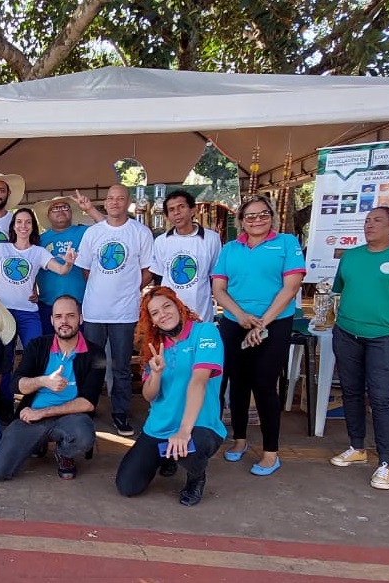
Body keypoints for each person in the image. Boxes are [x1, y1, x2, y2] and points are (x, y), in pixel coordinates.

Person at [328, 207, 389, 490]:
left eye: (378, 221)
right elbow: (340, 290)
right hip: (347, 332)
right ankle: (356, 446)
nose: (370, 225)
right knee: (351, 391)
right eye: (367, 220)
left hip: (386, 336)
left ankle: (385, 462)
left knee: (382, 397)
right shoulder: (352, 257)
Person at [211, 195, 304, 476]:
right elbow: (219, 289)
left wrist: (262, 323)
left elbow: (291, 287)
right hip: (234, 322)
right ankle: (239, 440)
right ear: (241, 221)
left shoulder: (287, 243)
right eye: (250, 216)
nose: (257, 220)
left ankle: (270, 452)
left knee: (264, 385)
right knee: (237, 384)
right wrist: (241, 317)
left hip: (274, 323)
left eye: (263, 214)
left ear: (271, 216)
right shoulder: (230, 248)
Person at [115, 287, 226, 506]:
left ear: (178, 306)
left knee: (192, 448)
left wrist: (184, 431)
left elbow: (199, 381)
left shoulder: (205, 332)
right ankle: (167, 455)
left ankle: (196, 477)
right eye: (155, 312)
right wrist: (155, 374)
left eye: (167, 306)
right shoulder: (155, 346)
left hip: (198, 425)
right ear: (152, 320)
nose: (163, 314)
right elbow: (148, 395)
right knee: (127, 486)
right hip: (160, 426)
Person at [0, 295, 106, 481]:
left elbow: (89, 402)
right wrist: (43, 381)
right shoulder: (38, 345)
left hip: (70, 418)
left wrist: (44, 413)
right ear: (51, 320)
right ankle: (38, 442)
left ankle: (65, 453)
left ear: (80, 318)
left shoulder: (96, 353)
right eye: (58, 316)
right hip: (32, 414)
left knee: (84, 436)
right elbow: (16, 384)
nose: (64, 321)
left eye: (70, 316)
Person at [75, 184, 154, 437]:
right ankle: (86, 408)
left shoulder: (140, 232)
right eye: (110, 198)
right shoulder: (93, 233)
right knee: (92, 364)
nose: (115, 202)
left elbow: (149, 269)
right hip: (94, 311)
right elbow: (86, 269)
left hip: (124, 313)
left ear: (128, 202)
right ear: (105, 203)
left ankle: (120, 413)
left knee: (120, 367)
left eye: (120, 198)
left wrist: (130, 288)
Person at [0, 207, 79, 349]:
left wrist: (69, 263)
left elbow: (62, 270)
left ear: (33, 226)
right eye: (19, 222)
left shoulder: (39, 252)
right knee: (3, 356)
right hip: (2, 310)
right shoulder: (2, 249)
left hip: (28, 311)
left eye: (28, 222)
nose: (23, 226)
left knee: (34, 351)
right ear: (13, 226)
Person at [33, 192, 104, 335]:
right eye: (55, 208)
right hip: (48, 304)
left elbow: (108, 228)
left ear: (71, 212)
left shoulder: (85, 232)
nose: (60, 210)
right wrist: (32, 289)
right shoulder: (38, 241)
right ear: (48, 215)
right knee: (50, 349)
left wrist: (90, 209)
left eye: (65, 207)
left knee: (82, 351)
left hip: (82, 304)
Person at [150, 190, 222, 322]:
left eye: (181, 207)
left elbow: (215, 276)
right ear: (167, 216)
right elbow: (159, 277)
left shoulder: (212, 239)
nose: (176, 212)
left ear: (192, 210)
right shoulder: (161, 241)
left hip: (201, 311)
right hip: (169, 314)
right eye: (171, 210)